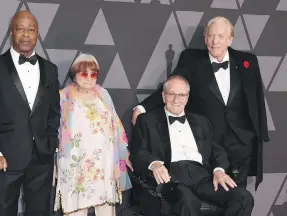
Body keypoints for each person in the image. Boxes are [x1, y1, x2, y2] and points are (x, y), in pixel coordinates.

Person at [132, 16, 269, 190]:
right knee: (210, 194)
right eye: (211, 35)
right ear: (205, 38)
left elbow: (256, 97)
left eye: (220, 36)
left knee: (238, 196)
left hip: (241, 143)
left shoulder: (247, 61)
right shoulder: (191, 59)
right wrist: (143, 107)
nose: (215, 41)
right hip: (210, 142)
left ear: (230, 39)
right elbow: (172, 86)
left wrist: (259, 134)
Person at [131, 75, 254, 216]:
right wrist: (154, 164)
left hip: (203, 177)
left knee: (243, 198)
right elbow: (139, 151)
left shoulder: (201, 121)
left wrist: (219, 170)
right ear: (164, 96)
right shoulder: (147, 120)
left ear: (187, 97)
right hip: (171, 177)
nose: (177, 100)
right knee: (186, 201)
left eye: (181, 95)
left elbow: (216, 150)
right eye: (172, 94)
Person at [0, 11, 60, 216]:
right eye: (20, 29)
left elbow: (54, 112)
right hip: (5, 157)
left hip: (42, 158)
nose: (25, 34)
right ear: (11, 32)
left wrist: (50, 142)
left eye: (31, 30)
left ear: (37, 33)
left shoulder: (50, 69)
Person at [53, 53, 132, 216]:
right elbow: (54, 130)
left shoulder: (104, 94)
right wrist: (52, 162)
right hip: (75, 163)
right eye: (83, 73)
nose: (88, 78)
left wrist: (124, 152)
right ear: (74, 74)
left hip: (103, 163)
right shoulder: (63, 96)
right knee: (75, 208)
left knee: (105, 209)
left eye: (93, 74)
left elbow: (116, 125)